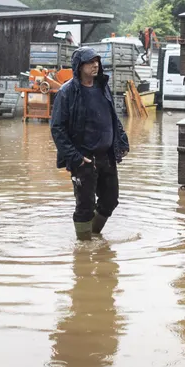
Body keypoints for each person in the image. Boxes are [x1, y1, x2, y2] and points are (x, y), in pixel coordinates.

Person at [50, 47, 129, 240]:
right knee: (84, 207)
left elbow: (112, 117)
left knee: (110, 201)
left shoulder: (103, 86)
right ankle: (83, 249)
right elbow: (57, 128)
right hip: (84, 158)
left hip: (107, 156)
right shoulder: (67, 92)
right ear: (79, 66)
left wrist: (122, 141)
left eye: (97, 61)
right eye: (90, 62)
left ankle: (94, 235)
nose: (95, 65)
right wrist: (74, 158)